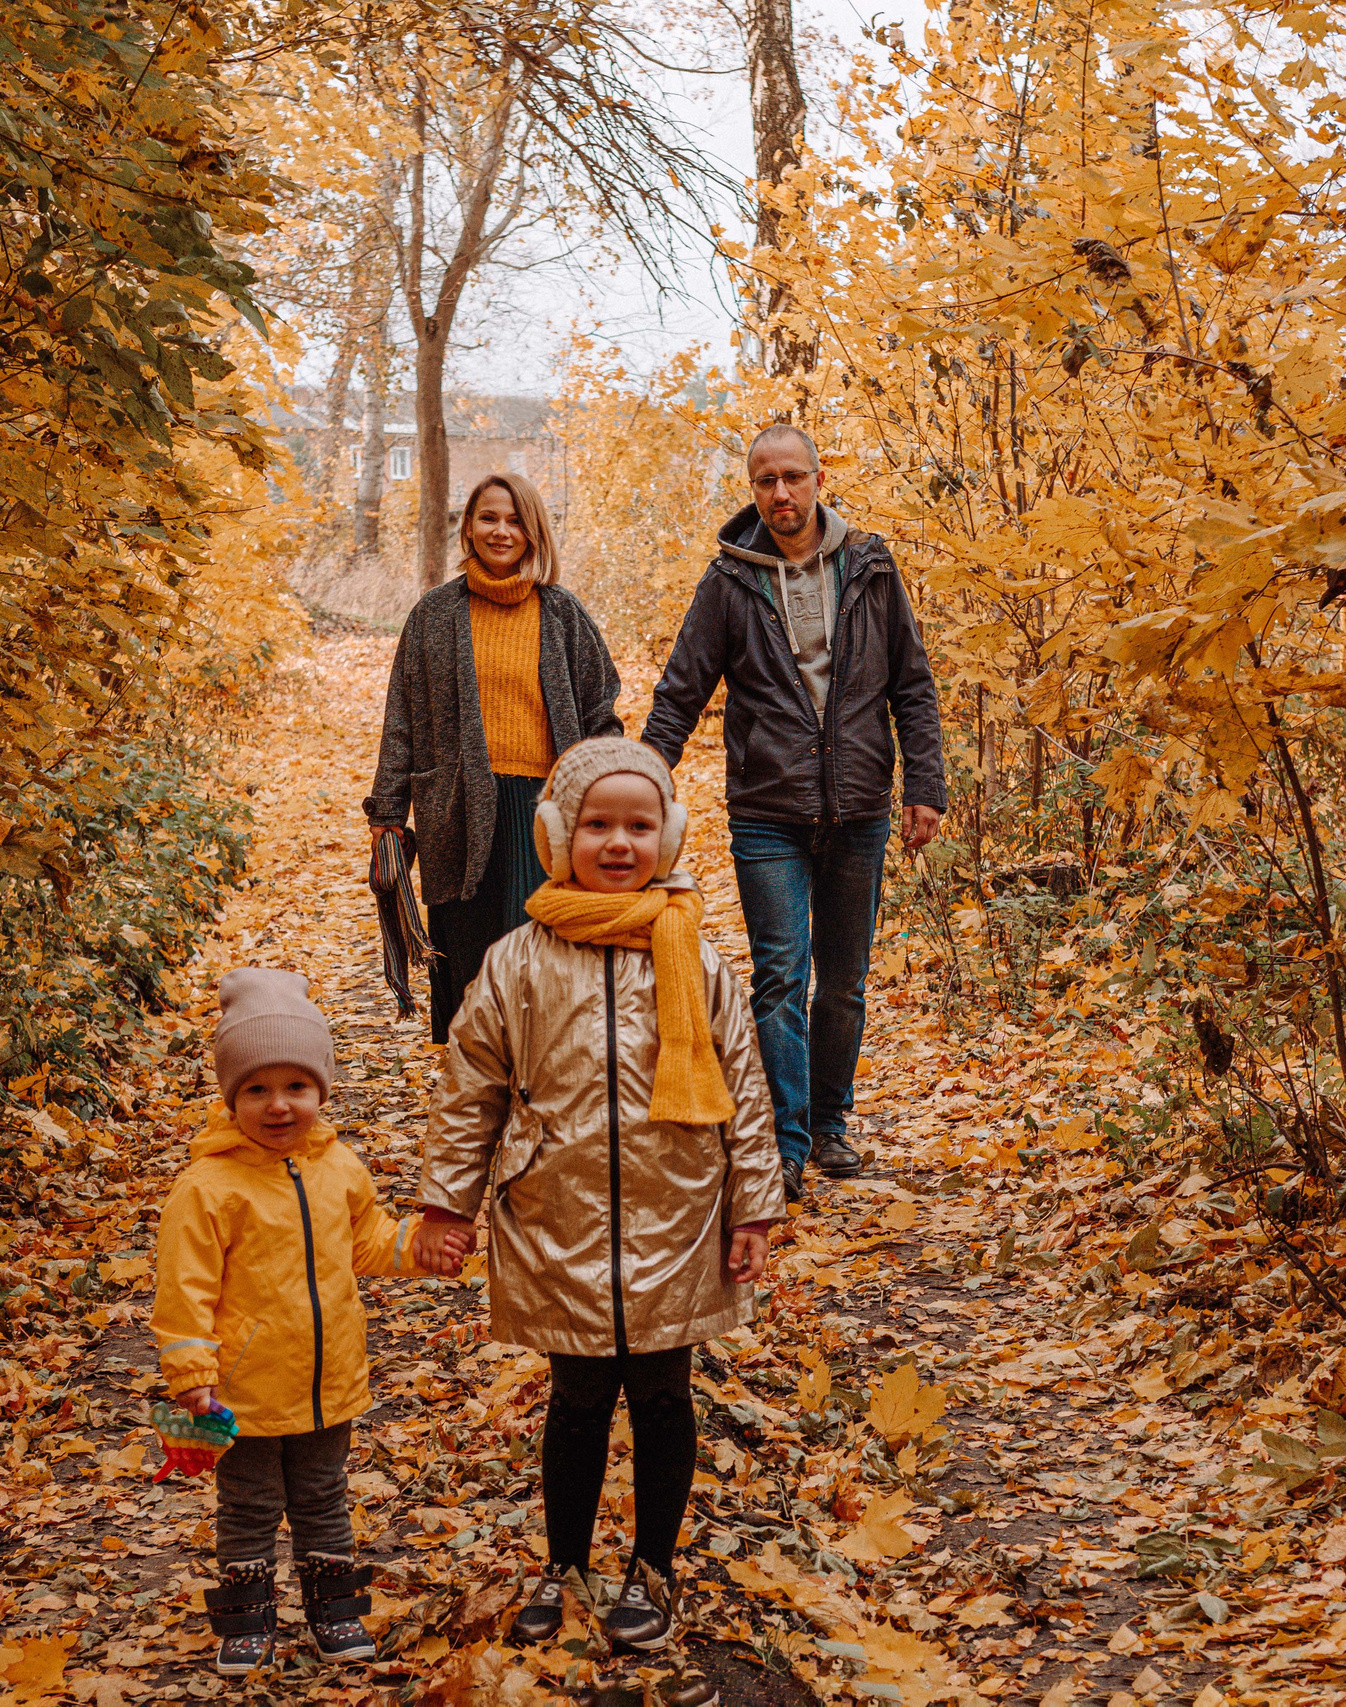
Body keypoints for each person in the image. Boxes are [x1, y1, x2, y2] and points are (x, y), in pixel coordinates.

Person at [410, 738, 783, 1654]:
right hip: (557, 1211)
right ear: (557, 836)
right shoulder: (517, 962)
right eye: (597, 824)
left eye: (639, 825)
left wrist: (755, 1203)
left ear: (670, 835)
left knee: (662, 1392)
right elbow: (472, 1090)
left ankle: (652, 1567)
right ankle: (564, 1561)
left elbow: (743, 1079)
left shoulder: (696, 958)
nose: (619, 843)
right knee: (576, 1396)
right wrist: (445, 1202)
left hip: (677, 1207)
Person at [640, 424, 947, 1201]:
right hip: (768, 810)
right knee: (781, 977)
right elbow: (682, 689)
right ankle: (786, 1141)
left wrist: (925, 785)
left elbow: (911, 682)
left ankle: (831, 1122)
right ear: (752, 489)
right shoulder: (730, 581)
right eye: (764, 480)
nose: (780, 493)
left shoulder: (870, 567)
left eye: (793, 478)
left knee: (841, 983)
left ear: (819, 478)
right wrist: (640, 781)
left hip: (858, 806)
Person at [152, 968, 472, 1675]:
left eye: (295, 1086)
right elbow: (184, 1289)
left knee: (325, 1499)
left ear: (320, 1090)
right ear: (231, 1095)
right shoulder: (206, 1189)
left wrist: (419, 1244)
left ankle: (334, 1611)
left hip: (329, 1383)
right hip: (244, 1392)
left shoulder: (338, 1166)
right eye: (257, 1089)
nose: (277, 1105)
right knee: (249, 1504)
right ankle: (245, 1619)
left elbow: (366, 1241)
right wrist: (191, 1376)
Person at [366, 472, 624, 1042]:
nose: (501, 531)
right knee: (472, 971)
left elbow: (603, 713)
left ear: (533, 532)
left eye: (514, 521)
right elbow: (401, 718)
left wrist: (608, 803)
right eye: (488, 518)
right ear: (468, 527)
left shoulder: (562, 614)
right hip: (456, 811)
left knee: (543, 968)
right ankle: (476, 1109)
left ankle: (542, 1103)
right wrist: (387, 812)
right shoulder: (433, 615)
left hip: (545, 817)